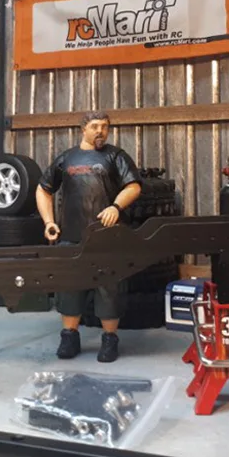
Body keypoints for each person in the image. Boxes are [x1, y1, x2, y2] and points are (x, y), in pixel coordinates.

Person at [35, 110, 143, 363]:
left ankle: (109, 340)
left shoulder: (116, 156)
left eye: (105, 126)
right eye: (95, 126)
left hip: (107, 240)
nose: (100, 131)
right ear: (83, 129)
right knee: (70, 288)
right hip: (72, 238)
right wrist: (49, 222)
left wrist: (116, 207)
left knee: (109, 290)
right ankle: (69, 337)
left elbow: (133, 186)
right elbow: (43, 189)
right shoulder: (66, 158)